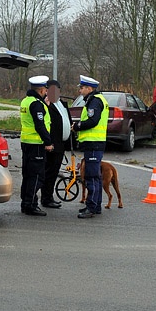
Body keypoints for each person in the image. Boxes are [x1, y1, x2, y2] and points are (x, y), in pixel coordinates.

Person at [72, 75, 108, 219]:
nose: (80, 91)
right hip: (95, 143)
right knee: (96, 177)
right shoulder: (96, 100)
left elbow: (93, 121)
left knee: (92, 176)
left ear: (89, 88)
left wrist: (78, 126)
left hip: (94, 143)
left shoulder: (94, 101)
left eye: (82, 88)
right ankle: (95, 205)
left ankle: (91, 207)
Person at [19, 75, 53, 216]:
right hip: (36, 144)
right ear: (40, 90)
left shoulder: (26, 101)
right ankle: (30, 204)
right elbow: (40, 125)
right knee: (37, 176)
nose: (46, 92)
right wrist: (48, 142)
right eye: (45, 89)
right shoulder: (36, 104)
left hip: (26, 143)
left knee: (27, 175)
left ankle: (26, 202)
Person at [41, 79, 71, 209]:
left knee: (54, 172)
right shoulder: (45, 104)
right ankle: (46, 198)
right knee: (49, 173)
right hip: (51, 145)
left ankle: (48, 196)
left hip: (61, 144)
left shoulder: (62, 104)